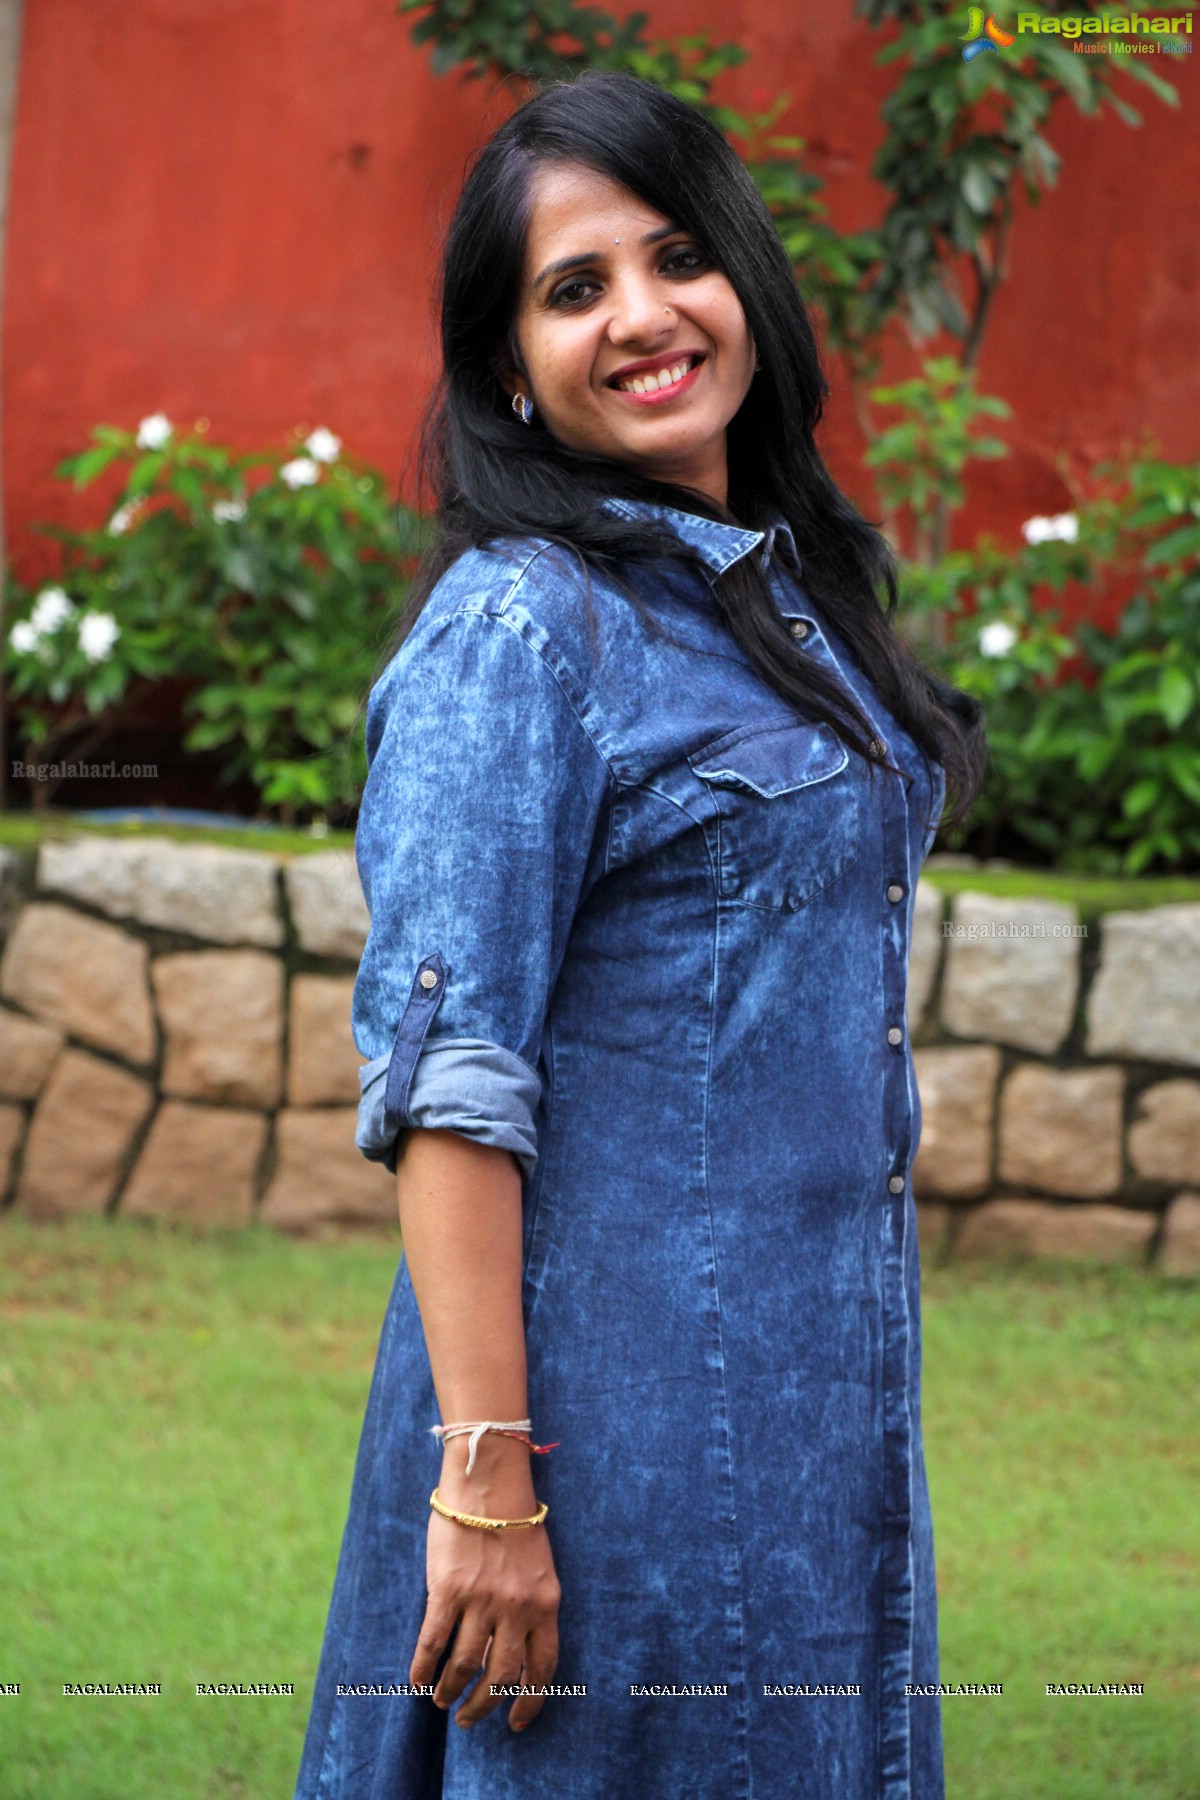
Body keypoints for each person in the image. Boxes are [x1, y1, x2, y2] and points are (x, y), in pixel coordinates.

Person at [293, 69, 986, 1800]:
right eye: (572, 286)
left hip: (820, 1406)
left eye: (676, 255)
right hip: (607, 1442)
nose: (644, 317)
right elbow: (453, 1085)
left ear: (745, 272)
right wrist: (491, 1490)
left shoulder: (777, 597)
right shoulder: (520, 634)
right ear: (506, 365)